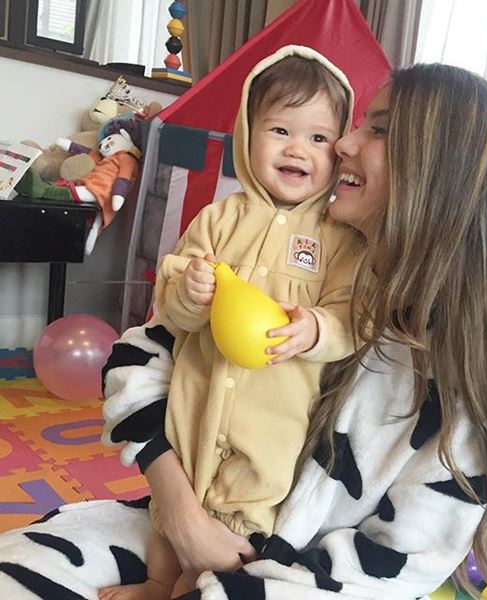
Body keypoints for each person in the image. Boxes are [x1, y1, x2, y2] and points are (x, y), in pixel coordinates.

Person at [0, 62, 487, 600]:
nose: (342, 144)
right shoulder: (233, 225)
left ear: (440, 173)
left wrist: (217, 572)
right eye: (282, 130)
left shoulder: (460, 382)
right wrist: (183, 515)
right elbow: (140, 356)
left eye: (377, 130)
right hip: (183, 505)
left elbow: (383, 571)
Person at [100, 45, 362, 600]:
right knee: (170, 524)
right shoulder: (219, 217)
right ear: (247, 133)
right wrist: (190, 294)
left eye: (318, 138)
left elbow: (350, 316)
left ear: (339, 151)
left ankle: (189, 587)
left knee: (234, 543)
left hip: (270, 434)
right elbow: (170, 305)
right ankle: (157, 582)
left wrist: (315, 328)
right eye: (280, 130)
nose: (297, 149)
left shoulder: (339, 241)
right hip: (194, 413)